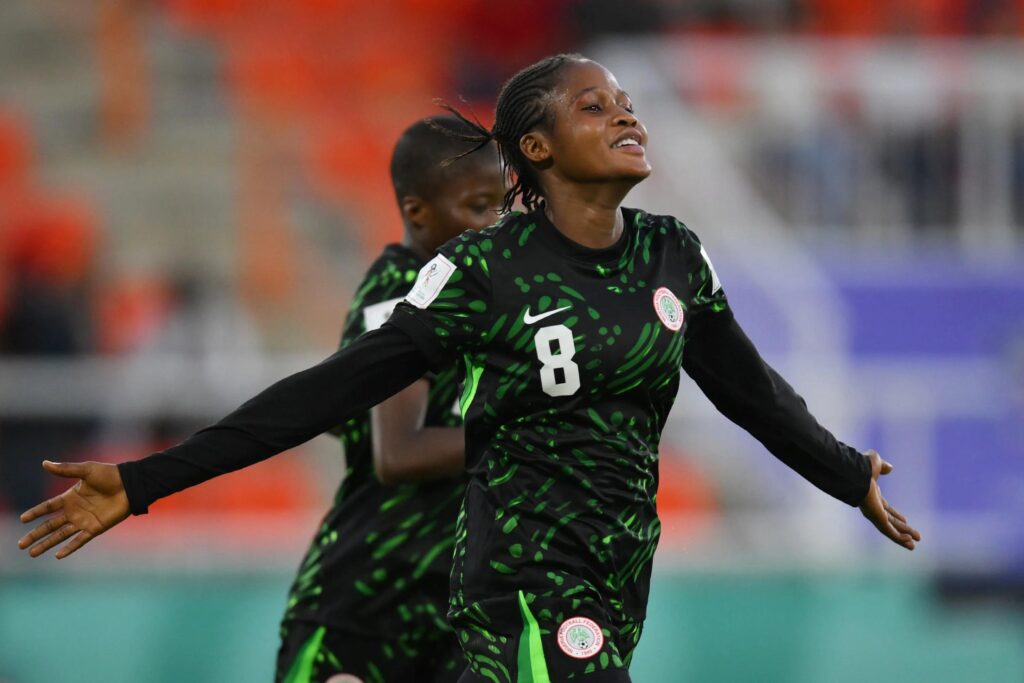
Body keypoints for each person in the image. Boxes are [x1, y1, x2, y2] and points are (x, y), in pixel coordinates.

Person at [18, 54, 921, 683]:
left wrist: (845, 473)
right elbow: (333, 388)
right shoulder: (487, 270)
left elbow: (751, 391)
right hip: (524, 578)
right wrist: (144, 481)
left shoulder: (673, 254)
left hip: (616, 578)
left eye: (625, 102)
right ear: (537, 147)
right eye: (594, 106)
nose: (626, 114)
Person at [274, 117, 504, 683]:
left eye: (504, 206)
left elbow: (347, 418)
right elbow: (397, 452)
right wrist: (520, 438)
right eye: (479, 207)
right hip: (366, 602)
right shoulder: (401, 292)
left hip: (449, 605)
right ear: (418, 211)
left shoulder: (475, 298)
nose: (496, 224)